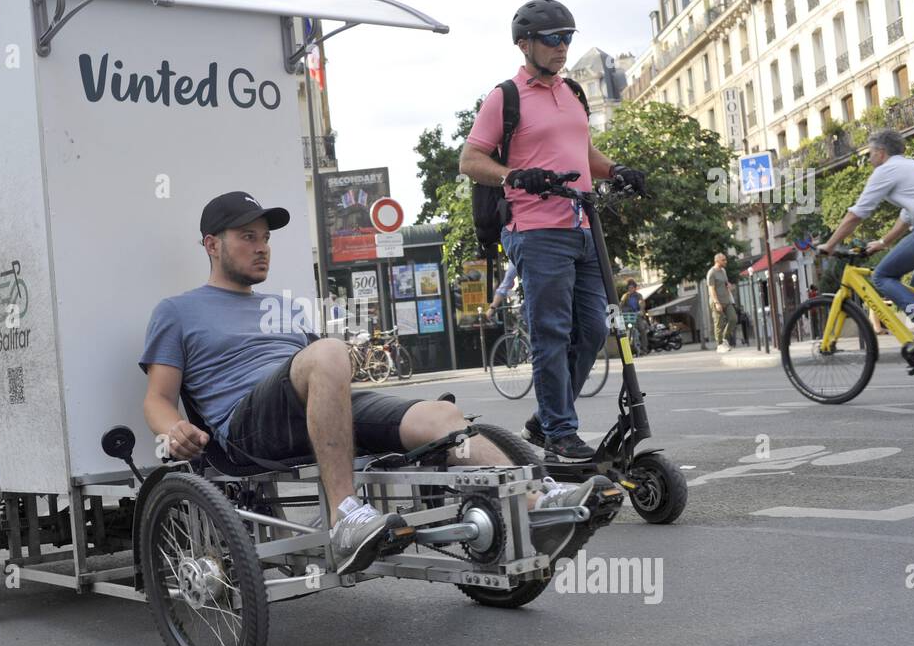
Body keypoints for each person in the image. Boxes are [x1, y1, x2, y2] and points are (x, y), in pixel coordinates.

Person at [141, 191, 615, 575]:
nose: (262, 246)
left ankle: (538, 503)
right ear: (211, 244)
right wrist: (173, 431)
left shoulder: (282, 307)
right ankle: (346, 516)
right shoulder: (177, 312)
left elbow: (320, 376)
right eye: (247, 237)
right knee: (328, 350)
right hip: (248, 429)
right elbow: (158, 400)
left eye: (265, 238)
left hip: (311, 407)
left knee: (441, 415)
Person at [458, 0, 645, 460]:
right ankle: (560, 429)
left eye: (568, 38)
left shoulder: (573, 93)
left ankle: (545, 422)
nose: (562, 47)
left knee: (592, 329)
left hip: (583, 225)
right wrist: (513, 175)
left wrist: (617, 169)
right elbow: (471, 160)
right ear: (525, 44)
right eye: (553, 39)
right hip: (536, 230)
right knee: (551, 330)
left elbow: (582, 154)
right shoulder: (506, 97)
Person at [818, 128, 914, 353]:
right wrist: (883, 242)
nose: (868, 159)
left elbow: (857, 214)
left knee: (882, 276)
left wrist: (830, 245)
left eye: (870, 153)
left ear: (881, 152)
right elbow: (906, 216)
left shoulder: (886, 170)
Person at [706, 253, 738, 353]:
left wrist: (729, 286)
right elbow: (711, 289)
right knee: (719, 323)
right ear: (717, 261)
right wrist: (716, 302)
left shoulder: (723, 271)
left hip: (727, 300)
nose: (725, 261)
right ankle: (719, 345)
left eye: (725, 260)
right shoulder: (711, 273)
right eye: (723, 260)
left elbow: (725, 283)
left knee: (733, 319)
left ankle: (724, 339)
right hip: (717, 301)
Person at [621, 279, 650, 353]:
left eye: (632, 287)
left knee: (642, 329)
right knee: (625, 331)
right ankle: (627, 350)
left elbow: (641, 303)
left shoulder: (639, 295)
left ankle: (644, 348)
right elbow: (621, 305)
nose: (631, 289)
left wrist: (641, 310)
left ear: (635, 288)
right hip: (628, 316)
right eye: (629, 287)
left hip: (637, 315)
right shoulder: (625, 296)